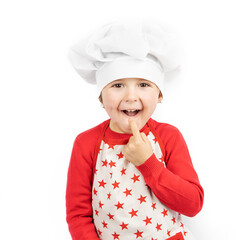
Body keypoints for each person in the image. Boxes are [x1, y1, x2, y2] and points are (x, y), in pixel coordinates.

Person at [66, 19, 204, 240]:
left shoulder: (169, 137)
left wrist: (148, 163)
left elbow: (192, 204)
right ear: (101, 95)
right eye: (117, 85)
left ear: (159, 95)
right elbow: (78, 215)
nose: (131, 96)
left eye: (143, 84)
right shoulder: (86, 143)